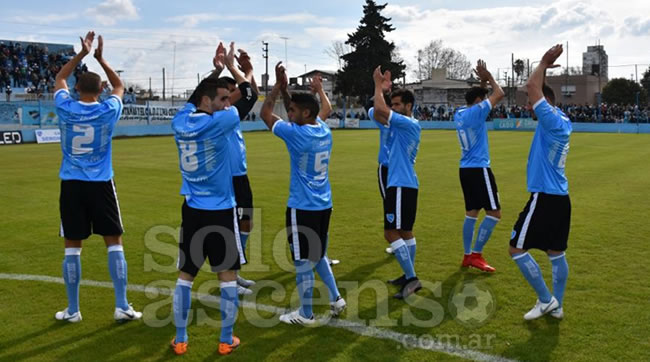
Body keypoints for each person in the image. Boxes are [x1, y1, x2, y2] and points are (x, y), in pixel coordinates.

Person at [169, 42, 252, 356]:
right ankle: (226, 338)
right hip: (219, 209)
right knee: (227, 276)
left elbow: (194, 97)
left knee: (186, 275)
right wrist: (233, 67)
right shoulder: (221, 122)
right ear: (208, 101)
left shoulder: (180, 121)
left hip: (191, 209)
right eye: (220, 98)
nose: (225, 102)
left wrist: (216, 69)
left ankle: (180, 339)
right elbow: (250, 96)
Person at [53, 32, 141, 323]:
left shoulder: (65, 107)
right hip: (101, 183)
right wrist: (101, 58)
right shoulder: (107, 109)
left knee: (72, 247)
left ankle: (73, 310)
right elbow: (119, 85)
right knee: (114, 242)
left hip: (72, 184)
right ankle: (121, 305)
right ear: (100, 89)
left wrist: (81, 54)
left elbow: (59, 80)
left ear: (77, 88)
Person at [260, 62, 346, 325]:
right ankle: (336, 298)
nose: (289, 113)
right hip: (323, 204)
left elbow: (265, 114)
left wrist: (276, 88)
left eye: (293, 111)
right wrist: (313, 91)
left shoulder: (296, 134)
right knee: (318, 255)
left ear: (305, 112)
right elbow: (323, 109)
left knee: (301, 260)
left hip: (302, 207)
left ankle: (306, 313)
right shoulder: (323, 129)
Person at [509, 44, 571, 320]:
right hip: (560, 197)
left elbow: (532, 88)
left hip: (544, 197)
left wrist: (544, 61)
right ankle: (557, 306)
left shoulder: (549, 120)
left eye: (531, 103)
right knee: (556, 253)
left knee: (516, 248)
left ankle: (546, 300)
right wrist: (543, 72)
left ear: (543, 104)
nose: (527, 106)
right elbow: (538, 90)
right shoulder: (561, 119)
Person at [205, 43, 259, 295]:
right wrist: (233, 67)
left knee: (246, 222)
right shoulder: (219, 116)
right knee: (232, 227)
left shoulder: (229, 113)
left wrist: (246, 69)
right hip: (227, 178)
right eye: (228, 94)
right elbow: (248, 92)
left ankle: (235, 274)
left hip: (240, 175)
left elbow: (250, 92)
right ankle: (229, 279)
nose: (231, 97)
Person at [369, 66, 422, 299]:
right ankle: (407, 274)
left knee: (390, 232)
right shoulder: (402, 124)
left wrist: (378, 86)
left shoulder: (408, 124)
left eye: (398, 105)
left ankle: (411, 279)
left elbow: (379, 108)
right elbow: (375, 110)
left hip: (400, 184)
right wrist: (384, 92)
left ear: (409, 107)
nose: (394, 109)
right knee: (405, 231)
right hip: (405, 183)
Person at [454, 60, 505, 273]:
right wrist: (490, 78)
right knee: (494, 213)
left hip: (465, 169)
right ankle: (476, 254)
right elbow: (499, 93)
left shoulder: (460, 113)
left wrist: (482, 84)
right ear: (477, 102)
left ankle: (467, 256)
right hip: (479, 168)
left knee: (471, 213)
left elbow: (478, 99)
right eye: (483, 100)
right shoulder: (476, 112)